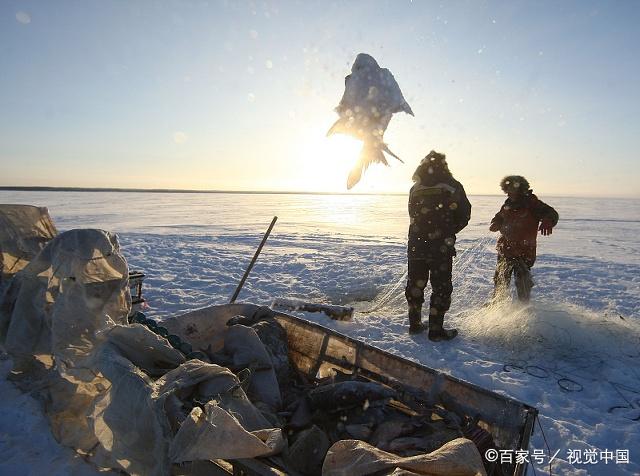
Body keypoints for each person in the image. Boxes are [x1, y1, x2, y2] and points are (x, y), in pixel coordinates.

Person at [405, 151, 471, 341]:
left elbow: (412, 214)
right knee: (440, 287)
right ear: (444, 165)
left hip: (416, 245)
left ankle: (415, 324)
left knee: (416, 283)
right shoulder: (452, 186)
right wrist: (447, 231)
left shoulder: (415, 188)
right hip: (440, 247)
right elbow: (464, 214)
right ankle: (435, 330)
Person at [489, 175, 558, 302]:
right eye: (507, 189)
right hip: (505, 249)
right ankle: (497, 307)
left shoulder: (532, 203)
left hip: (524, 251)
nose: (509, 192)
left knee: (523, 282)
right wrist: (496, 222)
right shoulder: (508, 203)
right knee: (500, 280)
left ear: (521, 189)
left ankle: (524, 309)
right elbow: (499, 216)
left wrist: (548, 220)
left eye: (512, 188)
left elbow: (551, 213)